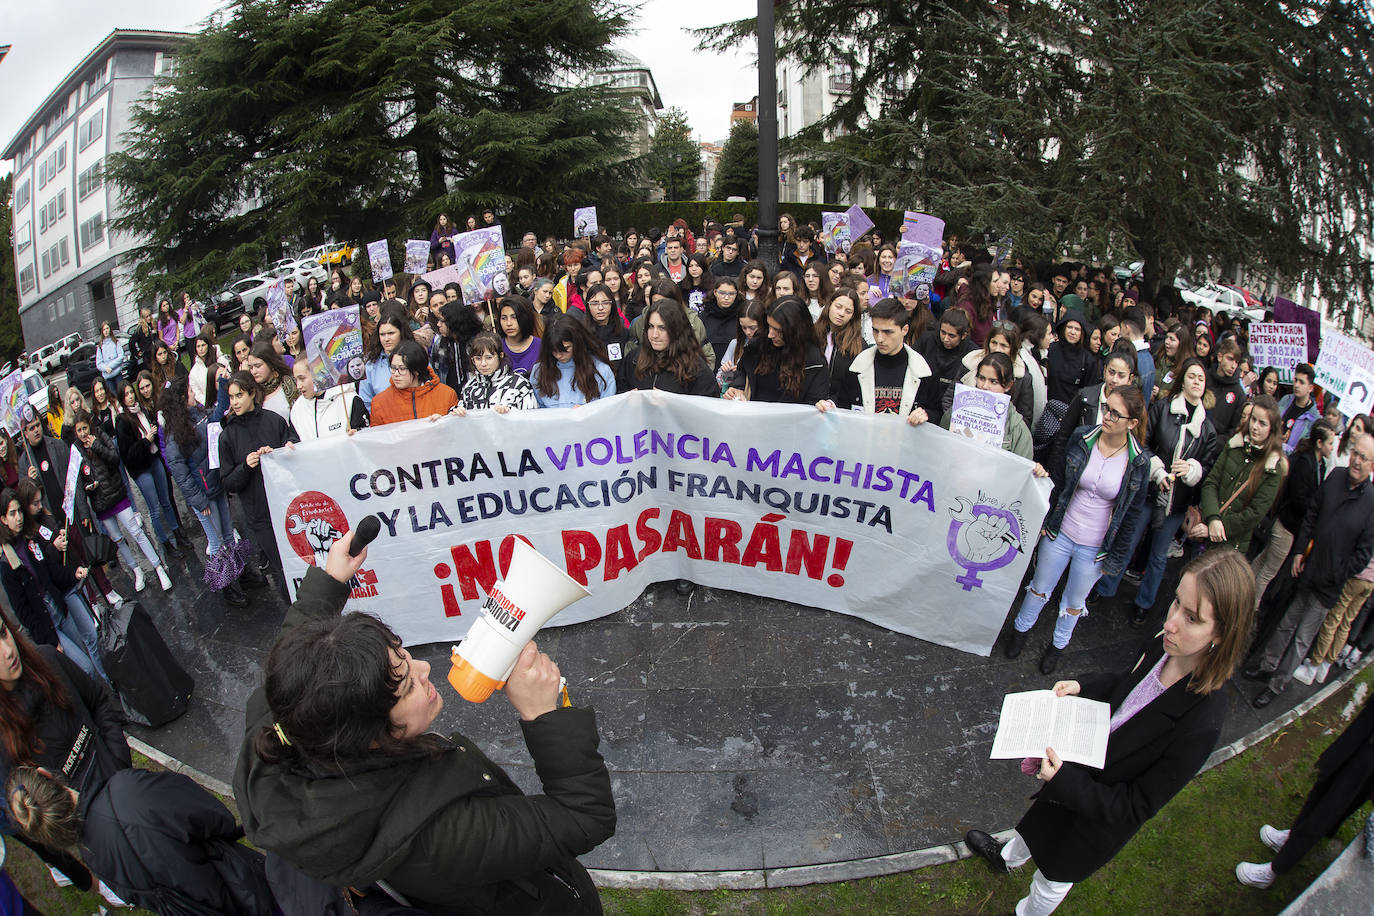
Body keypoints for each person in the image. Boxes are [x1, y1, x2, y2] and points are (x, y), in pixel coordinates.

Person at [233, 535, 616, 914]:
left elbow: (298, 647)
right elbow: (585, 816)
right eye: (406, 685)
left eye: (403, 653)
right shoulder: (438, 836)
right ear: (367, 735)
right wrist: (544, 716)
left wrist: (330, 581)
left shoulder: (283, 719)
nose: (424, 668)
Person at [968, 549, 1255, 916]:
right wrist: (1083, 687)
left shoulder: (1202, 721)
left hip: (1094, 820)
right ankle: (1007, 857)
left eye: (1192, 617)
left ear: (1222, 632)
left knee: (1052, 878)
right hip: (1077, 768)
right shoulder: (1163, 643)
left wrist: (1067, 783)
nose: (1171, 623)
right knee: (1033, 825)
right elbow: (1126, 683)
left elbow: (1136, 806)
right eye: (1176, 604)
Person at [1004, 385, 1151, 673]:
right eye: (1107, 408)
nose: (1106, 416)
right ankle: (1019, 632)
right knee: (1039, 588)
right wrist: (1046, 521)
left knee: (1074, 601)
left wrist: (1116, 559)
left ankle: (1057, 647)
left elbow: (1132, 515)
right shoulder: (1082, 437)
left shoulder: (1139, 461)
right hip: (1062, 531)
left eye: (1115, 414)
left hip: (1096, 547)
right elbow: (1058, 479)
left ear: (1132, 424)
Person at [8, 764, 276, 914]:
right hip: (248, 884)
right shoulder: (127, 790)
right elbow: (213, 816)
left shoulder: (93, 857)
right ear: (45, 773)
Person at [0, 607, 132, 907]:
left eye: (3, 632)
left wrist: (118, 761)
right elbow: (30, 815)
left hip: (128, 787)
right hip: (97, 835)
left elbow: (98, 702)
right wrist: (80, 822)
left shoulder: (47, 658)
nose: (7, 651)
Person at [1248, 432, 1374, 708]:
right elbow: (1312, 515)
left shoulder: (1371, 504)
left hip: (1328, 587)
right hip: (1305, 569)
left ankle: (1276, 685)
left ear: (1372, 466)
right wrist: (1299, 552)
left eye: (1364, 458)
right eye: (1355, 453)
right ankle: (1266, 666)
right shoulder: (1336, 476)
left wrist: (1334, 573)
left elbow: (1363, 555)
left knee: (1302, 639)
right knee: (1286, 625)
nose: (1356, 460)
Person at [1235, 696, 1374, 889]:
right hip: (1365, 732)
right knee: (1323, 786)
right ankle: (1292, 837)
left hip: (1370, 761)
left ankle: (1274, 870)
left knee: (1327, 811)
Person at [1130, 359, 1221, 626]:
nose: (1196, 381)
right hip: (1150, 491)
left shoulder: (1207, 429)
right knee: (1131, 539)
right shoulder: (1163, 408)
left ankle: (1143, 604)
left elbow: (1207, 466)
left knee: (1158, 555)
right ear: (1183, 381)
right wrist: (1157, 469)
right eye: (1191, 376)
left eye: (1200, 379)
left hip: (1176, 503)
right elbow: (1143, 444)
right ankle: (1104, 588)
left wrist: (1192, 468)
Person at [161, 375, 256, 606]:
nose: (194, 394)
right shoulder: (175, 436)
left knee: (227, 534)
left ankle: (241, 574)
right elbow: (180, 474)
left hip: (217, 486)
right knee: (215, 543)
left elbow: (218, 414)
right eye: (190, 392)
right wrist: (199, 502)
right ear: (182, 401)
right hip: (204, 498)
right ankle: (225, 587)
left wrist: (223, 385)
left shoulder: (199, 416)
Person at [15, 480, 109, 682]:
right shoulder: (28, 539)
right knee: (83, 660)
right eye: (35, 503)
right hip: (59, 597)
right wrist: (54, 548)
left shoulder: (43, 519)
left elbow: (50, 565)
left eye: (40, 501)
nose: (40, 506)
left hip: (67, 586)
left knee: (90, 637)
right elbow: (46, 567)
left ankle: (109, 682)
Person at [218, 371, 300, 601]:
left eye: (239, 395)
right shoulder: (227, 436)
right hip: (260, 515)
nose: (234, 402)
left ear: (252, 394)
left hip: (289, 506)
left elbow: (295, 446)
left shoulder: (274, 420)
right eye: (231, 397)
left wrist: (285, 448)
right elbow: (228, 482)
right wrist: (245, 466)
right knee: (283, 568)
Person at [73, 414, 174, 594]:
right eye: (79, 430)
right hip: (100, 502)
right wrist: (88, 493)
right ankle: (136, 570)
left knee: (136, 531)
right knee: (118, 540)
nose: (83, 434)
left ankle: (158, 566)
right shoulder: (75, 450)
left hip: (117, 494)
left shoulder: (100, 437)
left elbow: (114, 459)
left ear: (89, 426)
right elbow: (78, 480)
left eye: (84, 429)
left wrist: (96, 445)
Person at [1252, 419, 1337, 609]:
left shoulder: (1319, 465)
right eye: (1330, 443)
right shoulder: (1305, 463)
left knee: (1263, 560)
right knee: (1269, 570)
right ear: (1319, 443)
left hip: (1291, 527)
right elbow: (1299, 498)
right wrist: (1315, 508)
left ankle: (1243, 591)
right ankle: (1251, 606)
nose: (1332, 448)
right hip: (1287, 526)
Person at [1192, 394, 1286, 554]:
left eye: (1262, 423)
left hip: (1231, 545)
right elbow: (1211, 482)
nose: (1255, 426)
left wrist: (1219, 528)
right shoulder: (1235, 444)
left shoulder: (1273, 467)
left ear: (1272, 428)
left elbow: (1254, 513)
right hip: (1208, 529)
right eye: (1253, 419)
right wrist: (1213, 518)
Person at [820, 297, 933, 423]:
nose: (879, 339)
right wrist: (829, 405)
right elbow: (843, 404)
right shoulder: (858, 366)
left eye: (887, 332)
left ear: (904, 330)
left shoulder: (922, 371)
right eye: (875, 330)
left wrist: (925, 415)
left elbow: (936, 411)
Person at [116, 379, 187, 559]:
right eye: (127, 395)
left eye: (132, 392)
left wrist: (153, 438)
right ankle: (165, 543)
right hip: (141, 469)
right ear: (121, 399)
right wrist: (145, 441)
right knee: (154, 508)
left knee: (166, 501)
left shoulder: (143, 411)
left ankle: (177, 533)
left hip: (155, 460)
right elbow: (127, 454)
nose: (131, 397)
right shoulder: (122, 421)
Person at [726, 298, 830, 405]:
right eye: (769, 326)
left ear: (796, 331)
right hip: (756, 416)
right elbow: (742, 367)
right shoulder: (760, 343)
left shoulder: (814, 362)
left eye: (778, 330)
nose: (770, 334)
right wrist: (737, 386)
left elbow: (814, 403)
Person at [941, 353, 1041, 463]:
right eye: (981, 378)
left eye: (993, 382)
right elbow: (941, 446)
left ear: (1008, 385)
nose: (985, 386)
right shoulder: (956, 412)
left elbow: (1021, 469)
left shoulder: (1017, 428)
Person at [629, 299, 720, 397]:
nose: (654, 335)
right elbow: (619, 394)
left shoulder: (696, 368)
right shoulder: (634, 359)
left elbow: (708, 407)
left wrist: (671, 404)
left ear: (676, 330)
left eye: (662, 328)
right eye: (651, 326)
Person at [531, 316, 616, 409]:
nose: (558, 355)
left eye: (565, 349)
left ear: (577, 343)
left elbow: (608, 411)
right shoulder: (539, 372)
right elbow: (537, 411)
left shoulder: (601, 370)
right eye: (553, 350)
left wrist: (588, 412)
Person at [370, 340, 459, 425]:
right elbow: (376, 438)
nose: (396, 374)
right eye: (393, 368)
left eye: (402, 369)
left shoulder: (446, 395)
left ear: (417, 370)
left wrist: (446, 422)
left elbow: (455, 433)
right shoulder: (379, 403)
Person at [913, 307, 977, 419]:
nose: (946, 339)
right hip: (920, 404)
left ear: (963, 335)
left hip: (949, 412)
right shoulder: (927, 340)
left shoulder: (971, 354)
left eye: (952, 336)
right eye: (943, 332)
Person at [289, 358, 368, 441]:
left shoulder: (350, 400)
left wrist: (357, 434)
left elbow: (366, 435)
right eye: (296, 380)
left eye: (302, 378)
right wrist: (290, 445)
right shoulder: (297, 409)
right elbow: (294, 439)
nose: (298, 386)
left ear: (316, 374)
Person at [459, 333, 538, 412]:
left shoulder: (519, 384)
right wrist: (457, 412)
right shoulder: (469, 387)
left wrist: (510, 413)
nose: (483, 363)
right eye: (478, 358)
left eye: (489, 358)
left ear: (501, 355)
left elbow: (530, 418)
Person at [358, 305, 414, 409]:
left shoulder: (416, 356)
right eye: (382, 334)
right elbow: (366, 402)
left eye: (391, 333)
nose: (386, 339)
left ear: (401, 333)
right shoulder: (371, 365)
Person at [246, 340, 299, 422]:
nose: (254, 372)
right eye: (251, 367)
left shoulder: (290, 383)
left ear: (270, 363)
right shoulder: (252, 393)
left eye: (258, 366)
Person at [1205, 337, 1249, 436]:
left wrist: (1215, 444)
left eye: (1236, 362)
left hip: (1215, 446)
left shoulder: (1239, 393)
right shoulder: (1204, 378)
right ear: (1220, 357)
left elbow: (1234, 429)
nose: (1233, 366)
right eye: (1230, 359)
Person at [1278, 363, 1322, 454]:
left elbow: (1305, 449)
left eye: (1301, 382)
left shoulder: (1314, 418)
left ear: (1310, 388)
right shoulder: (1286, 400)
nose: (1297, 385)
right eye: (1295, 380)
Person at [497, 295, 543, 378]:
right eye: (504, 318)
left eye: (514, 317)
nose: (509, 323)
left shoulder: (541, 346)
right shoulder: (496, 347)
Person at [94, 321, 126, 391]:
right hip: (108, 377)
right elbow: (99, 363)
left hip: (117, 373)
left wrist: (110, 366)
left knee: (122, 392)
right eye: (104, 329)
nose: (106, 331)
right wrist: (106, 368)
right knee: (114, 396)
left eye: (107, 328)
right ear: (102, 332)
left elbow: (121, 357)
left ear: (110, 329)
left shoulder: (116, 342)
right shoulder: (100, 346)